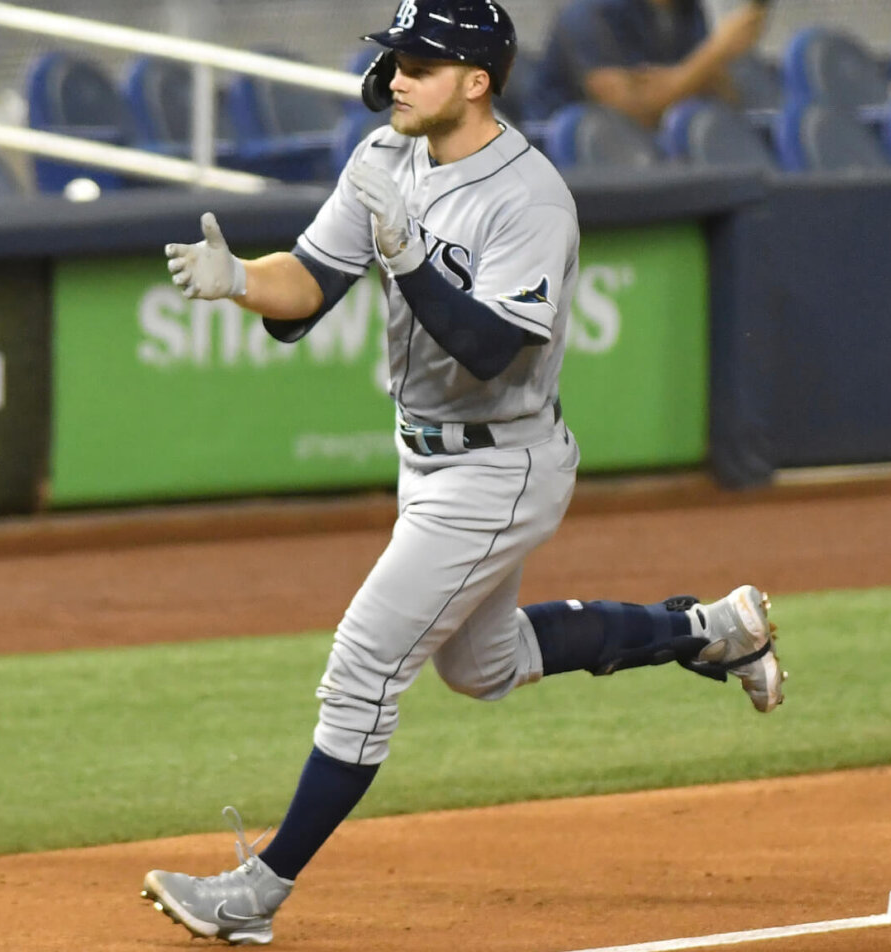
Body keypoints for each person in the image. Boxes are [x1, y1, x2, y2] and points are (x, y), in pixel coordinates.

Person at [141, 0, 786, 944]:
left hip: (503, 467)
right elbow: (311, 285)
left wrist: (406, 259)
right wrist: (241, 277)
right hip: (426, 457)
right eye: (395, 58)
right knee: (484, 667)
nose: (396, 75)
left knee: (363, 663)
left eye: (421, 62)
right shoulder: (382, 158)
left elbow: (488, 348)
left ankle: (257, 891)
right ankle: (711, 629)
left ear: (477, 81)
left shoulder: (530, 198)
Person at [528, 0, 772, 127]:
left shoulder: (688, 11)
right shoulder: (589, 13)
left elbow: (720, 93)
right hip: (572, 172)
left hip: (655, 153)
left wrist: (670, 83)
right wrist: (715, 53)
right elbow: (631, 112)